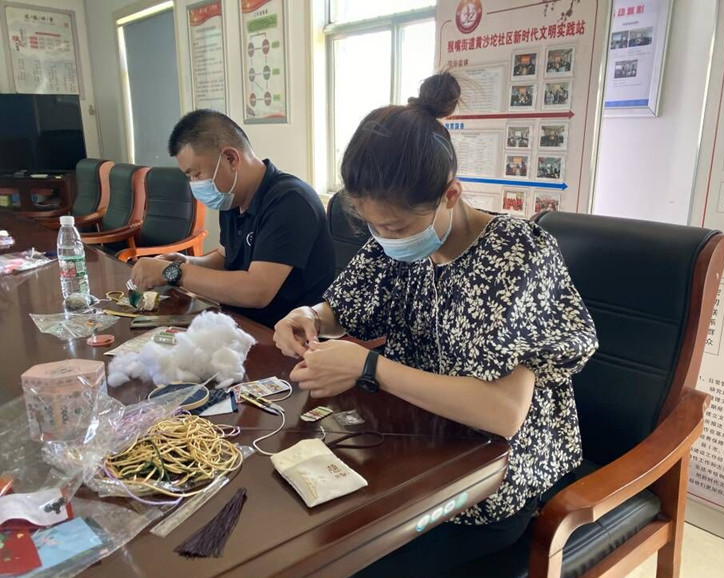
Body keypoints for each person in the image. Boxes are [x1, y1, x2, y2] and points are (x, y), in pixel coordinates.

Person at [272, 72, 598, 576]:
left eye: (395, 226)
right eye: (372, 225)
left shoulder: (517, 256)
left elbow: (503, 413)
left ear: (450, 194)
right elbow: (343, 306)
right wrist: (308, 316)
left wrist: (368, 368)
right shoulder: (393, 242)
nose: (385, 238)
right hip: (411, 450)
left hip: (489, 482)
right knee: (300, 531)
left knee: (341, 565)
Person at [130, 109, 335, 328]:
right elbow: (224, 257)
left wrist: (174, 273)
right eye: (189, 177)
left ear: (231, 158)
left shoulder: (290, 201)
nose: (194, 184)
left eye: (197, 174)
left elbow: (257, 290)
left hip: (286, 334)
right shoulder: (232, 198)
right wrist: (185, 262)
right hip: (239, 323)